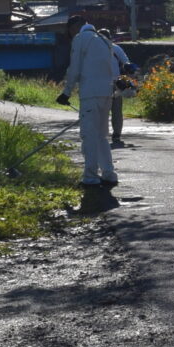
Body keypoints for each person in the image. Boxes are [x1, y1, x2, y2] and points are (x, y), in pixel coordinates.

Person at [57, 15, 123, 207]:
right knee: (102, 135)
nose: (70, 35)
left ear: (74, 27)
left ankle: (91, 177)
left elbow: (74, 67)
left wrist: (66, 92)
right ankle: (109, 174)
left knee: (89, 135)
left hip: (90, 94)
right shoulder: (104, 40)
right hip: (107, 93)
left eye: (69, 31)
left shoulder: (81, 38)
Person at [107, 35, 137, 146]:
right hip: (115, 84)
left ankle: (102, 133)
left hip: (102, 84)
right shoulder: (115, 48)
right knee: (116, 111)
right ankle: (116, 134)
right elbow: (127, 63)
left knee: (102, 110)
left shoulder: (93, 49)